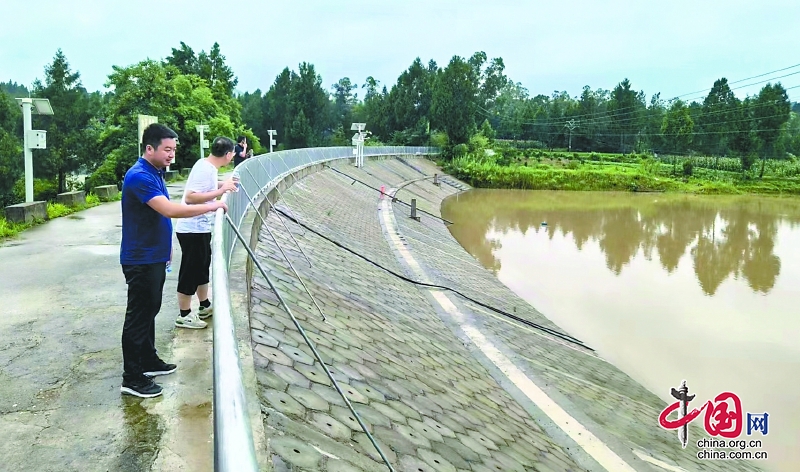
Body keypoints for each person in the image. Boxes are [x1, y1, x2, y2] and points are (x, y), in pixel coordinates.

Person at [120, 123, 227, 398]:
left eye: (174, 149)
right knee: (139, 316)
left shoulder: (154, 172)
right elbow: (169, 210)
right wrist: (212, 204)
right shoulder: (139, 176)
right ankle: (132, 377)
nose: (171, 155)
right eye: (167, 149)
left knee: (150, 310)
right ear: (149, 148)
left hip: (153, 257)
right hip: (140, 259)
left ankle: (148, 360)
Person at [174, 137, 238, 329]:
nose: (233, 157)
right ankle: (184, 314)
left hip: (200, 228)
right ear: (227, 154)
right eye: (233, 154)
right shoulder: (205, 168)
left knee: (202, 268)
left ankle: (204, 305)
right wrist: (218, 199)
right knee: (190, 271)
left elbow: (206, 186)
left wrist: (222, 185)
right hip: (191, 228)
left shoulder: (208, 166)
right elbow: (191, 197)